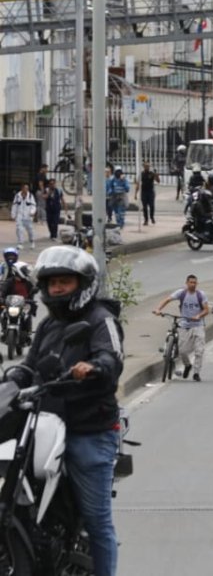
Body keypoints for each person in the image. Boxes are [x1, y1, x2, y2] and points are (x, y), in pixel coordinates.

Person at [15, 246, 123, 576]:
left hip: (87, 429)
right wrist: (12, 378)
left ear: (83, 284)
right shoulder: (49, 326)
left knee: (97, 518)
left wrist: (92, 367)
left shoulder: (101, 320)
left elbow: (111, 360)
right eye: (53, 283)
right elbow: (30, 366)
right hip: (44, 425)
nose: (58, 289)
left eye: (65, 282)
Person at [153, 274, 211, 381]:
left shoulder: (200, 295)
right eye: (191, 282)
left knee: (199, 350)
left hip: (198, 325)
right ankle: (187, 365)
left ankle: (196, 373)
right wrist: (158, 309)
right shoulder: (181, 293)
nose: (193, 285)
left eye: (195, 283)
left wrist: (198, 316)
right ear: (186, 283)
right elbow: (167, 299)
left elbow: (206, 309)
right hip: (184, 325)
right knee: (182, 350)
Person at [11, 183, 37, 249]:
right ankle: (20, 243)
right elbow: (14, 205)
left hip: (28, 217)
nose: (26, 190)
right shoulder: (17, 196)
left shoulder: (30, 196)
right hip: (20, 216)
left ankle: (32, 242)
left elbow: (33, 206)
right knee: (19, 230)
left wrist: (32, 212)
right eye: (25, 188)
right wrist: (13, 215)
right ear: (22, 188)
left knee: (30, 231)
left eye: (27, 188)